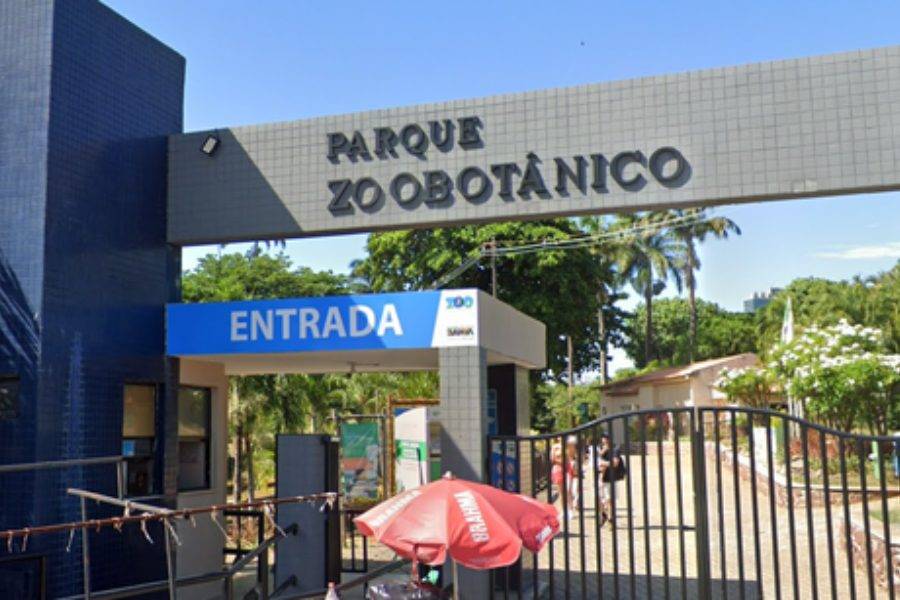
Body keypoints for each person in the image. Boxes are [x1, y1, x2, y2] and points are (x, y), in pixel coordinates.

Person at [595, 433, 624, 527]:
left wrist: (602, 463)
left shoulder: (615, 449)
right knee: (599, 499)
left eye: (607, 438)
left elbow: (615, 463)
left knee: (609, 500)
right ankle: (604, 514)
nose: (605, 440)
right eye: (604, 438)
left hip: (610, 478)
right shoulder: (600, 449)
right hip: (600, 477)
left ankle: (610, 520)